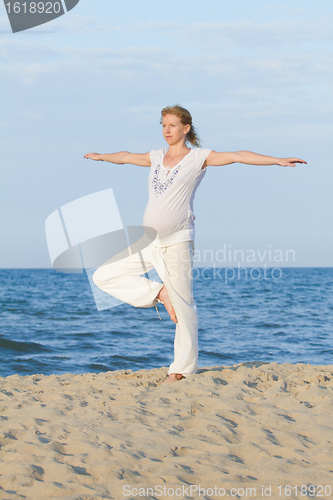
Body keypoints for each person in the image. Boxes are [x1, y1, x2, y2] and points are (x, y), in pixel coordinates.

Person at [84, 105, 307, 383]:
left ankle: (181, 370)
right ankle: (159, 293)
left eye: (173, 125)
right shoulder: (156, 157)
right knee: (104, 275)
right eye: (163, 125)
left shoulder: (198, 158)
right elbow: (127, 157)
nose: (167, 130)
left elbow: (238, 156)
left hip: (177, 241)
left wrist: (276, 160)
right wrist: (101, 157)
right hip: (149, 242)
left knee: (185, 306)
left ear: (186, 128)